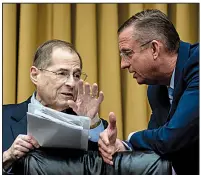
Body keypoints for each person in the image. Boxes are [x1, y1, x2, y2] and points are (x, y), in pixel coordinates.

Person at [98, 9, 199, 175]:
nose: (123, 64)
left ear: (154, 49)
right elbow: (156, 147)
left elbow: (172, 137)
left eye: (127, 53)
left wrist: (130, 139)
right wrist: (121, 146)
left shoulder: (197, 64)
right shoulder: (156, 89)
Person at [3, 39, 107, 173]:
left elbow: (108, 168)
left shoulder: (94, 126)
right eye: (62, 73)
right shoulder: (3, 118)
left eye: (76, 75)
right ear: (35, 75)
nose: (71, 83)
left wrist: (91, 122)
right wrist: (6, 158)